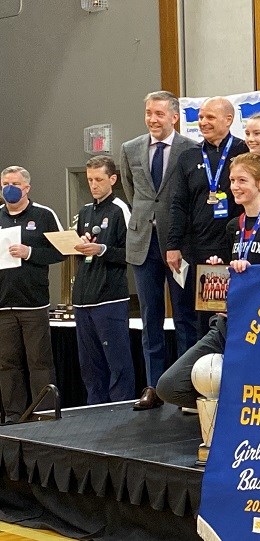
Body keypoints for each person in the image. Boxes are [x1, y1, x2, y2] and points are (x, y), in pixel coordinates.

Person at [156, 154, 260, 408]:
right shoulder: (233, 226)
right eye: (232, 180)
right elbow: (233, 273)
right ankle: (230, 409)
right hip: (229, 324)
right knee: (169, 386)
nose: (235, 186)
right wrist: (220, 270)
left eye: (242, 180)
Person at [118, 90, 198, 402]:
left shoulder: (189, 149)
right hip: (143, 243)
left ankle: (185, 387)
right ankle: (153, 387)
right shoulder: (130, 148)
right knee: (150, 317)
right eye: (149, 113)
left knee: (184, 318)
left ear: (174, 117)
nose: (153, 119)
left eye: (159, 114)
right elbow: (131, 190)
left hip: (177, 244)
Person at [167, 96, 249, 336]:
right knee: (203, 319)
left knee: (235, 315)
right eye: (201, 117)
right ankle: (204, 370)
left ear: (229, 120)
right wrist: (173, 245)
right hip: (197, 249)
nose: (203, 122)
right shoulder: (188, 157)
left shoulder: (243, 151)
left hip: (235, 248)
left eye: (210, 117)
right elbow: (178, 204)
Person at [0, 166, 63, 421]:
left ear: (26, 188)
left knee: (40, 363)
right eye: (4, 183)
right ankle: (14, 415)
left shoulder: (44, 215)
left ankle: (45, 414)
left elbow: (61, 251)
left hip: (33, 304)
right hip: (3, 305)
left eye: (14, 183)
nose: (9, 188)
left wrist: (31, 253)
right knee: (7, 365)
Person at [72, 156, 135, 405]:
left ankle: (120, 407)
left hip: (110, 297)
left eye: (98, 179)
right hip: (83, 299)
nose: (93, 185)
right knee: (89, 363)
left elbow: (131, 253)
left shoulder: (121, 208)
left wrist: (102, 250)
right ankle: (94, 408)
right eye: (89, 180)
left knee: (116, 360)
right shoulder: (85, 211)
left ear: (112, 179)